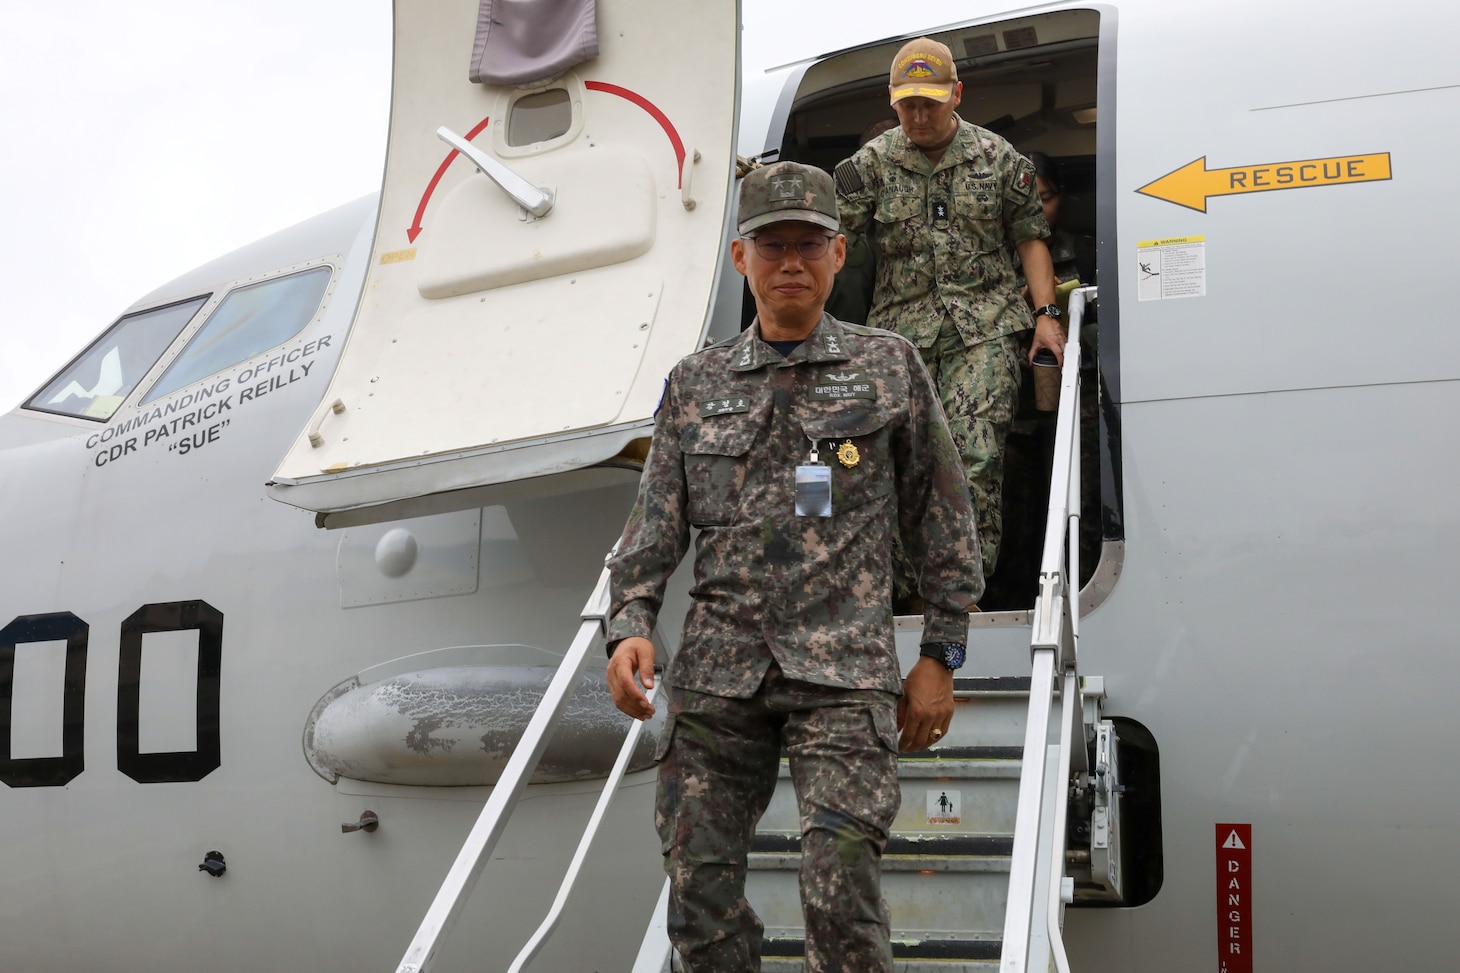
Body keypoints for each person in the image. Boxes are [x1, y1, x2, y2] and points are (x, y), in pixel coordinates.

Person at [605, 160, 983, 973]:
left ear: (839, 254)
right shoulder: (695, 384)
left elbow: (944, 515)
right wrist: (629, 624)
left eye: (808, 245)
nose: (790, 264)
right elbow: (650, 532)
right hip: (719, 675)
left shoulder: (889, 367)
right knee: (698, 890)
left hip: (843, 674)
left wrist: (940, 656)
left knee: (840, 885)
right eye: (770, 245)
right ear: (740, 259)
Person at [835, 37, 1062, 580]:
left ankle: (963, 592)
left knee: (973, 456)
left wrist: (1047, 318)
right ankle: (909, 592)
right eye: (906, 103)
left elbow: (1031, 238)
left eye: (930, 103)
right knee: (899, 463)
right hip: (899, 339)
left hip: (983, 328)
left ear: (956, 95)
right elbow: (832, 249)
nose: (918, 115)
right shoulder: (868, 167)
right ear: (891, 100)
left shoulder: (998, 157)